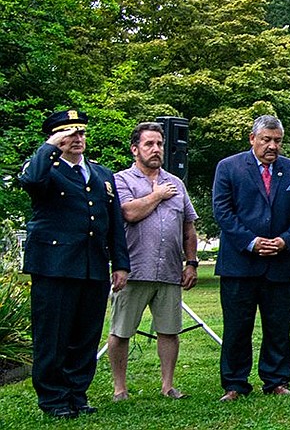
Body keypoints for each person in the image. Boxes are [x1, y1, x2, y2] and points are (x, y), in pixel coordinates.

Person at [17, 110, 130, 419]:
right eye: (69, 134)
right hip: (55, 265)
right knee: (53, 336)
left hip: (92, 265)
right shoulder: (44, 168)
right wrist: (51, 146)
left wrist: (120, 263)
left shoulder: (101, 173)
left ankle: (77, 393)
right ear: (55, 138)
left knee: (85, 336)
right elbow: (29, 180)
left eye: (81, 133)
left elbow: (113, 223)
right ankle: (54, 399)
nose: (78, 139)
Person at [211, 115, 290, 402]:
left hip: (280, 264)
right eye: (266, 139)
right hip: (239, 264)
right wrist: (252, 242)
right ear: (252, 138)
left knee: (278, 327)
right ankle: (234, 384)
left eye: (277, 140)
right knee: (236, 328)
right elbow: (223, 212)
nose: (272, 146)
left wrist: (286, 240)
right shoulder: (228, 168)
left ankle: (277, 380)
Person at [108, 122, 199, 402]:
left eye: (159, 144)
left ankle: (167, 385)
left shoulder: (177, 183)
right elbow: (128, 212)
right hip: (133, 270)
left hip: (169, 271)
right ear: (135, 149)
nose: (156, 149)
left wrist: (191, 262)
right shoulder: (120, 180)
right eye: (149, 144)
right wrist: (158, 195)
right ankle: (119, 389)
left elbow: (189, 227)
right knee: (121, 332)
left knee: (170, 331)